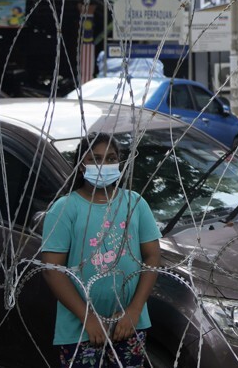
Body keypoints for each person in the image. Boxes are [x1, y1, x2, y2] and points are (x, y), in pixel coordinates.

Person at [41, 134, 161, 367]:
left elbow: (152, 256)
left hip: (130, 322)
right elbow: (52, 270)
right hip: (81, 326)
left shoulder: (134, 203)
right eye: (95, 159)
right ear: (81, 165)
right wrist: (89, 319)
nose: (103, 166)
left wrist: (134, 310)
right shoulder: (65, 208)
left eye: (111, 159)